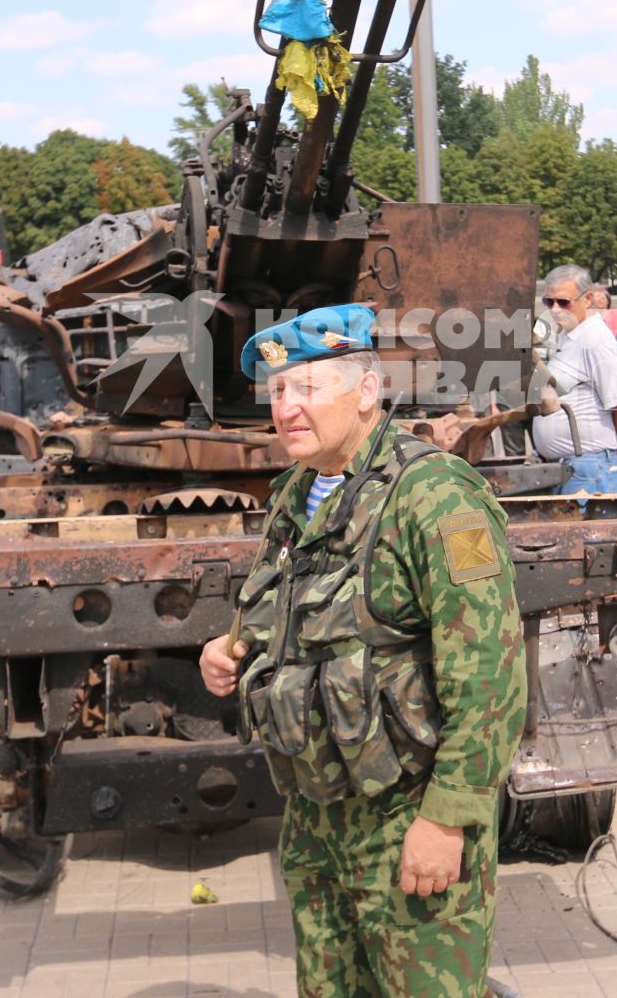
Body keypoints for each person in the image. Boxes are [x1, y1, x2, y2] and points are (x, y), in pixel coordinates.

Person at [197, 304, 523, 998]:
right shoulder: (296, 493)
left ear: (366, 391)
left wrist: (447, 819)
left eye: (307, 389)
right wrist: (229, 649)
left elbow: (490, 675)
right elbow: (282, 610)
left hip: (409, 814)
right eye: (278, 392)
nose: (287, 408)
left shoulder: (436, 496)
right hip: (317, 821)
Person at [533, 264, 617, 496]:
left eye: (563, 302)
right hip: (576, 468)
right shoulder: (571, 336)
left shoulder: (595, 339)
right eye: (548, 302)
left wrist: (606, 453)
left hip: (587, 471)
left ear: (588, 298)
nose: (555, 309)